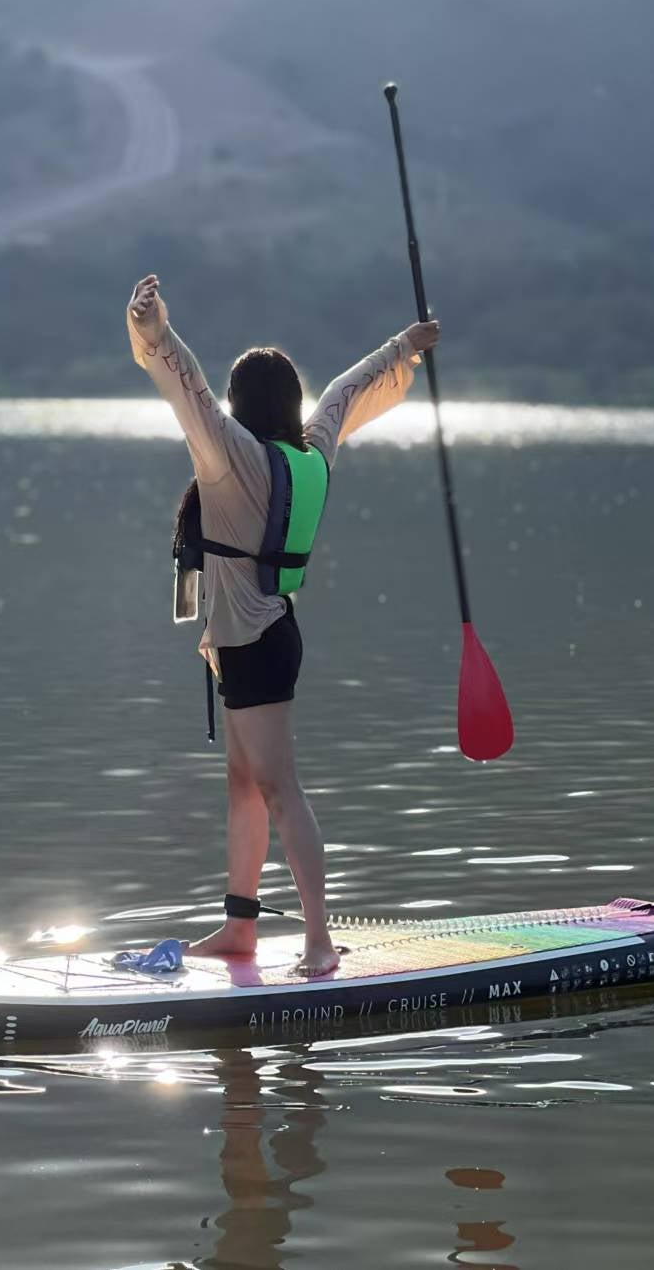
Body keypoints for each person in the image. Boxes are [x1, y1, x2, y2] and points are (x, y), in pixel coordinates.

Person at [127, 272, 438, 976]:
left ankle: (320, 943)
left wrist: (152, 330)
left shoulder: (230, 454)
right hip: (258, 641)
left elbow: (188, 386)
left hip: (257, 647)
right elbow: (349, 389)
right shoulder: (313, 447)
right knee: (244, 786)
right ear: (288, 402)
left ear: (238, 407)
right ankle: (239, 929)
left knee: (279, 789)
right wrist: (407, 344)